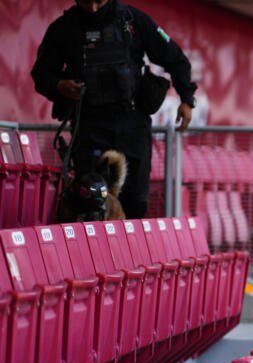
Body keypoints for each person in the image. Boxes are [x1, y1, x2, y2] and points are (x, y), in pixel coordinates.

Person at [32, 0, 198, 219]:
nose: (92, 8)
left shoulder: (132, 20)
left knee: (136, 202)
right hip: (89, 127)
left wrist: (186, 99)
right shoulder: (63, 28)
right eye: (85, 1)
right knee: (88, 206)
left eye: (97, 1)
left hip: (133, 125)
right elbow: (41, 74)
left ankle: (132, 253)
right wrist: (59, 86)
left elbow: (175, 58)